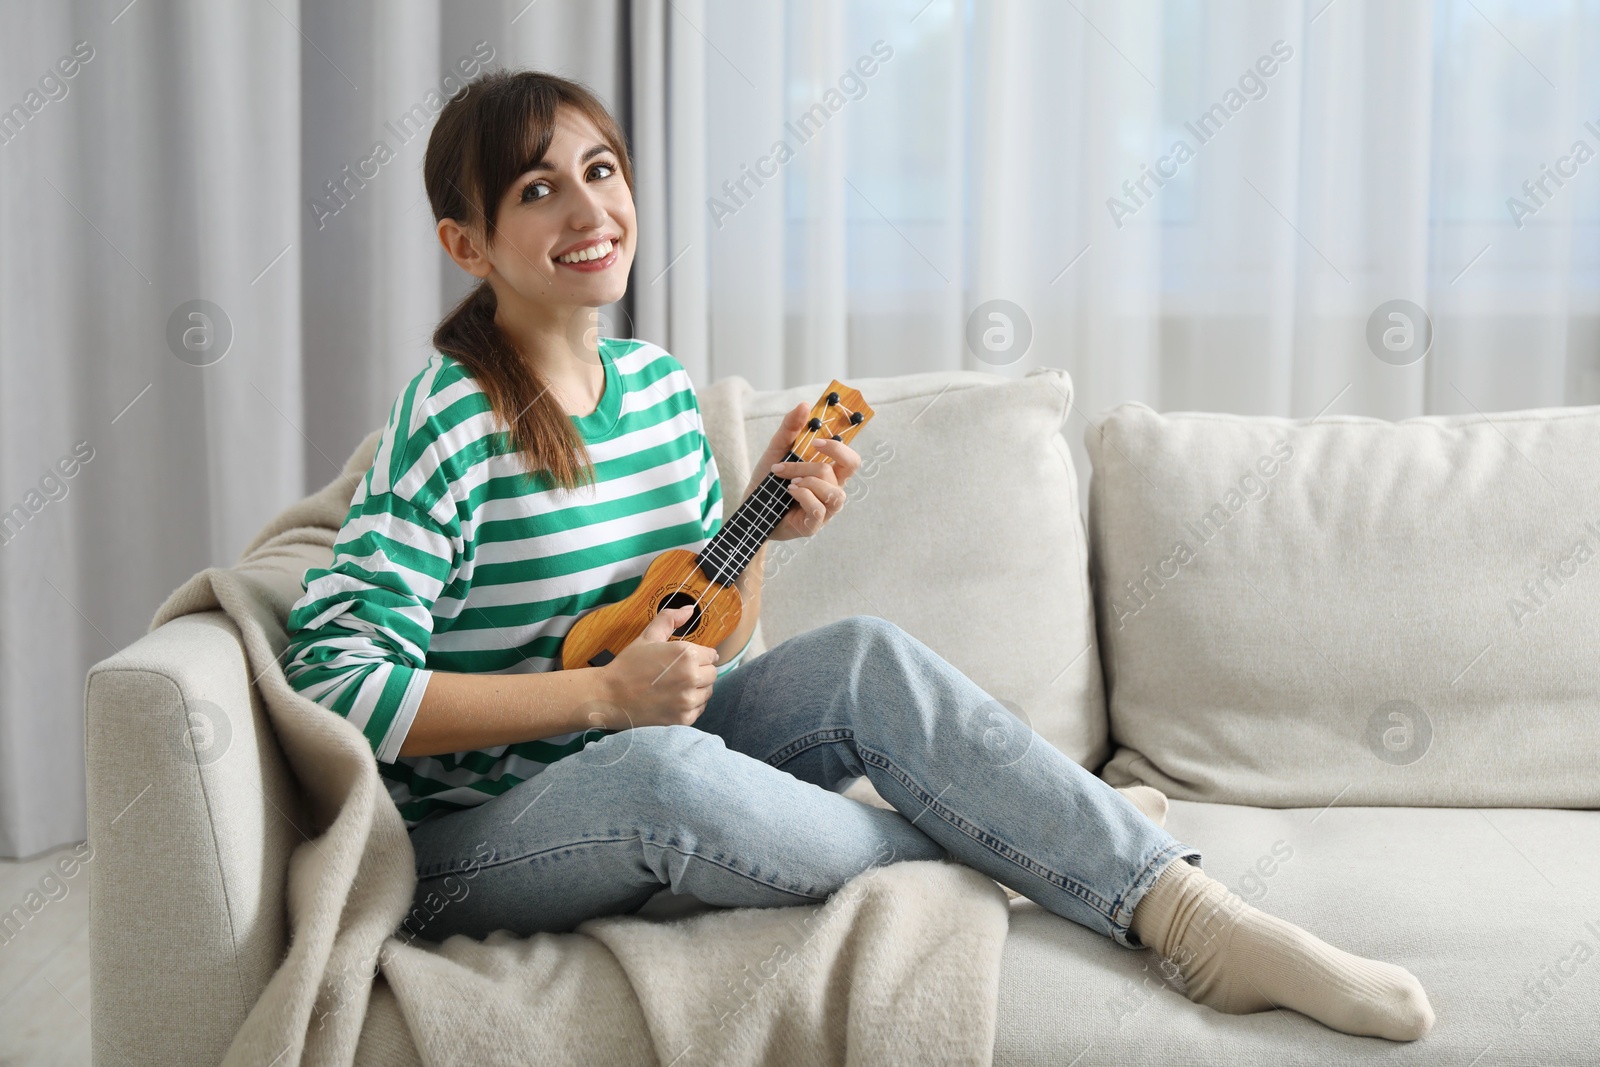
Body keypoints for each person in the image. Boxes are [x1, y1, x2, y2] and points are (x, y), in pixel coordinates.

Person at [281, 68, 1434, 1043]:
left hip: (637, 734)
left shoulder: (659, 391)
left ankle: (1192, 919)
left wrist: (759, 529)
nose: (588, 207)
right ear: (467, 242)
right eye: (538, 189)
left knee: (862, 655)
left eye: (601, 169)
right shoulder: (448, 413)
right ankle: (1023, 833)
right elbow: (336, 678)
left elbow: (702, 640)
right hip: (477, 839)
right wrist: (598, 692)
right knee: (664, 775)